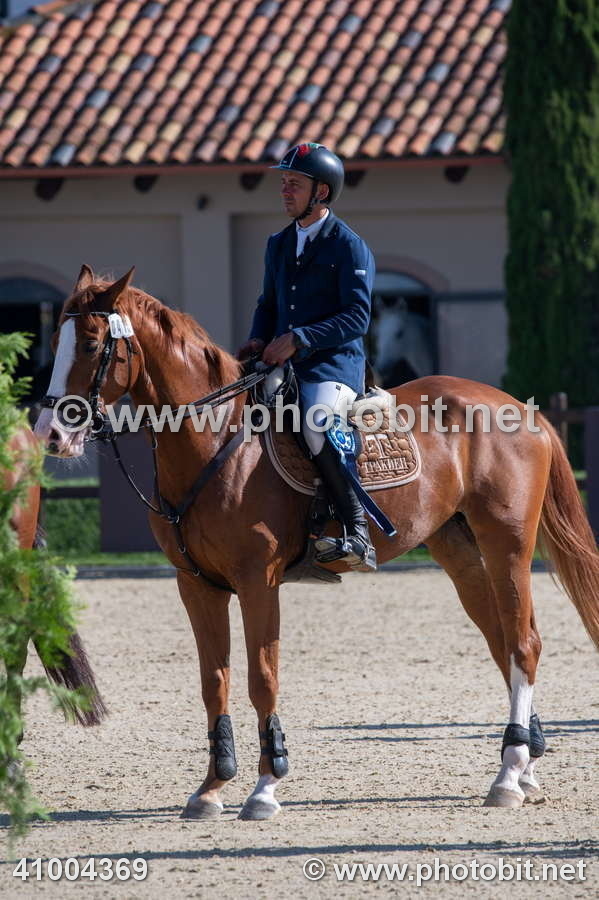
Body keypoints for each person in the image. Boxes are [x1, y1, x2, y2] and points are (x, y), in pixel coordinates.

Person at [237, 142, 376, 571]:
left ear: (321, 192)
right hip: (284, 362)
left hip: (334, 364)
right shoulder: (278, 244)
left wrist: (299, 338)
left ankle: (357, 531)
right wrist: (258, 339)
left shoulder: (348, 246)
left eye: (294, 184)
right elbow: (267, 304)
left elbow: (357, 317)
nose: (284, 191)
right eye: (283, 183)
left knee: (317, 420)